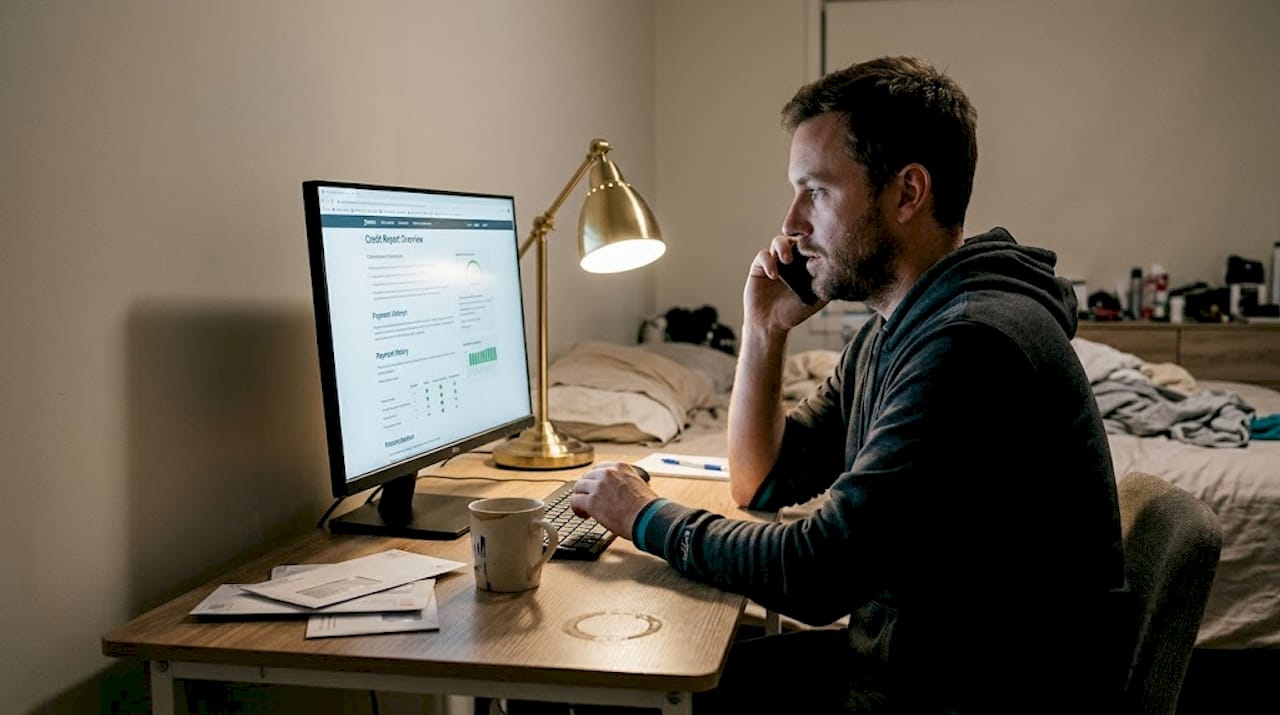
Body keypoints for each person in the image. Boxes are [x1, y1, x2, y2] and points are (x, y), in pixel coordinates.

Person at [571, 56, 1133, 714]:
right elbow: (765, 480)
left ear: (906, 193)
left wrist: (641, 515)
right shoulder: (895, 327)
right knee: (633, 672)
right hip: (913, 664)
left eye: (817, 191)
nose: (792, 223)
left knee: (613, 687)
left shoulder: (969, 345)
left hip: (970, 692)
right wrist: (764, 330)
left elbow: (815, 573)